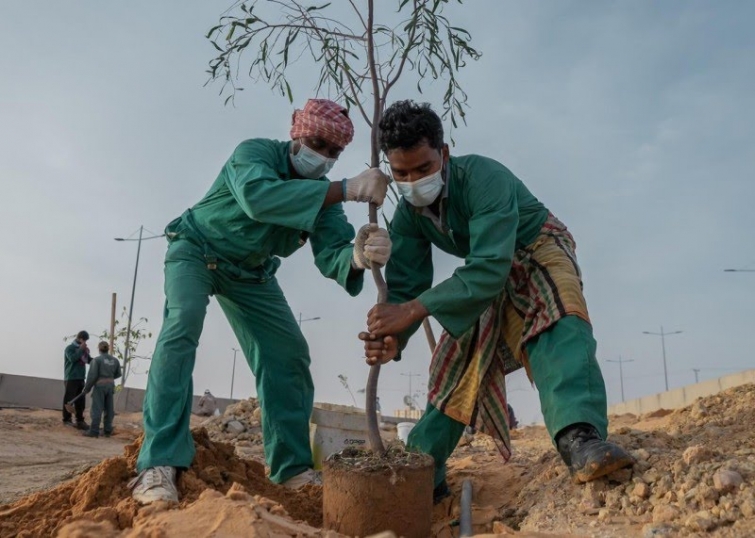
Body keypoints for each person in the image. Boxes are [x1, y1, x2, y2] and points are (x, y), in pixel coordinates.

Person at [361, 100, 633, 504]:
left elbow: (489, 267)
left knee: (555, 317)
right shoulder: (409, 216)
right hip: (484, 271)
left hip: (536, 246)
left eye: (423, 168)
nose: (413, 180)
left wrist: (412, 310)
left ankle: (579, 438)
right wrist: (393, 339)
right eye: (401, 173)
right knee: (459, 357)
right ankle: (422, 468)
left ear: (444, 154)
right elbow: (407, 286)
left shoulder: (485, 178)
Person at [130, 99, 392, 504]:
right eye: (316, 143)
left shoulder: (324, 200)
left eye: (333, 152)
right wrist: (346, 189)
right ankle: (158, 464)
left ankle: (290, 470)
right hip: (196, 250)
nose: (322, 156)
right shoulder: (253, 154)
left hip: (250, 274)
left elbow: (333, 255)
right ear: (295, 132)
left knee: (287, 354)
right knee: (182, 327)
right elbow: (259, 198)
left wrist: (358, 255)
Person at [82, 342, 122, 438]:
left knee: (97, 408)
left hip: (100, 387)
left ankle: (94, 431)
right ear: (108, 349)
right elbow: (118, 374)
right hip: (110, 386)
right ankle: (107, 430)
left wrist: (86, 388)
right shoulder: (115, 360)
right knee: (109, 408)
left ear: (99, 349)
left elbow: (92, 376)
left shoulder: (96, 360)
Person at [63, 330, 91, 429]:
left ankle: (80, 420)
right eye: (84, 340)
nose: (85, 342)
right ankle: (67, 419)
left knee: (80, 401)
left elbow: (88, 360)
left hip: (81, 378)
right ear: (80, 338)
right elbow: (72, 359)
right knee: (69, 400)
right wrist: (80, 350)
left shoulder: (84, 350)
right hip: (71, 377)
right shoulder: (69, 348)